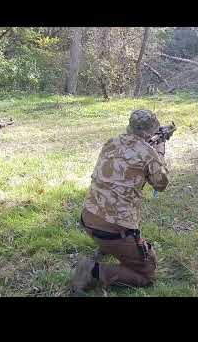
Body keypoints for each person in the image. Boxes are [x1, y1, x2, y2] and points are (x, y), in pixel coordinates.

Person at [71, 109, 169, 294]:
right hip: (113, 228)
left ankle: (105, 248)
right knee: (147, 273)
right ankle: (93, 271)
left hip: (88, 217)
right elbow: (161, 184)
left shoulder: (111, 142)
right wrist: (159, 152)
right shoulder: (149, 153)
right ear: (150, 134)